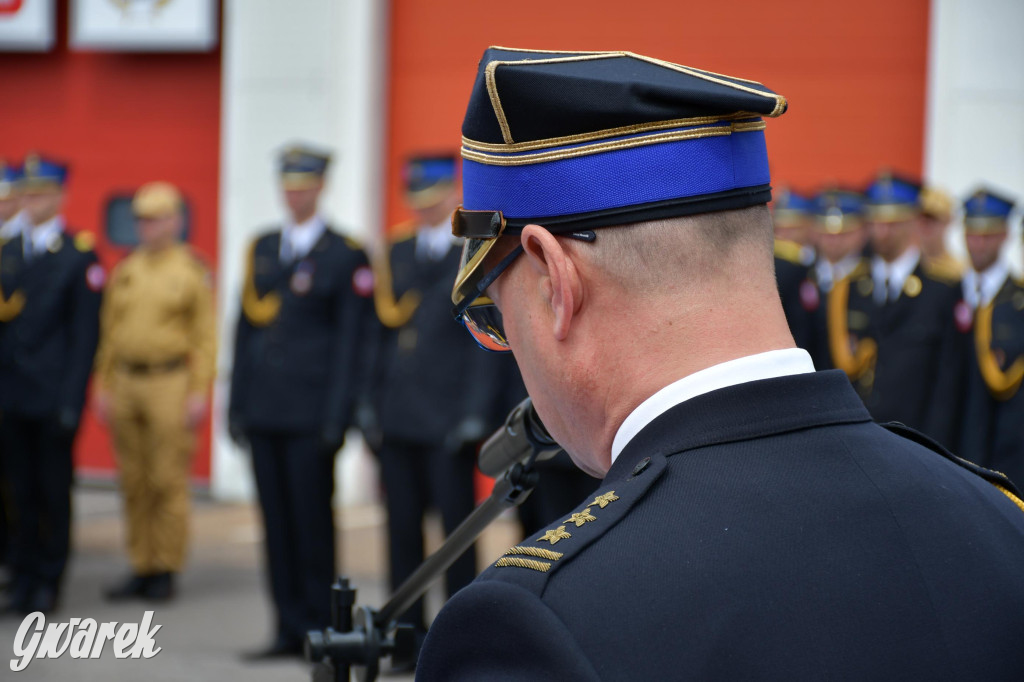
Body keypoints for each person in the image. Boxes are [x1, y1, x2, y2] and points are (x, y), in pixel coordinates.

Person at [416, 47, 1024, 680]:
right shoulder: (1000, 520)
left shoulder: (533, 624)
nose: (509, 344)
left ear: (554, 281)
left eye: (496, 316)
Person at [228, 145, 372, 659]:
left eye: (304, 185)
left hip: (311, 416)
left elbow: (352, 344)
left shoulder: (345, 254)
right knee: (276, 524)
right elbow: (244, 332)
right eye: (288, 186)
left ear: (320, 187)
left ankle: (319, 626)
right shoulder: (264, 247)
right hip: (265, 410)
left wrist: (339, 415)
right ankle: (285, 626)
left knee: (312, 525)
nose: (294, 195)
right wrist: (236, 405)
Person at [365, 154, 507, 653]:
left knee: (455, 536)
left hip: (448, 417)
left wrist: (475, 412)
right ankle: (404, 636)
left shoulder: (471, 248)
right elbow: (378, 336)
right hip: (400, 413)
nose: (422, 208)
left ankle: (456, 643)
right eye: (416, 200)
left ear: (451, 193)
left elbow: (485, 337)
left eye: (431, 198)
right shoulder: (397, 250)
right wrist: (370, 401)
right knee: (401, 530)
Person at [93, 182, 216, 602]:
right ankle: (140, 564)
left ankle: (165, 566)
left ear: (175, 221)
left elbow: (204, 338)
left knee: (167, 479)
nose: (147, 227)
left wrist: (199, 390)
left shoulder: (190, 270)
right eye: (142, 219)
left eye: (156, 218)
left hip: (169, 381)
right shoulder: (128, 269)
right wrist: (103, 383)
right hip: (127, 381)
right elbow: (110, 333)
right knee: (133, 480)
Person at [0, 154, 103, 615]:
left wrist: (72, 401)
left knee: (51, 493)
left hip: (51, 396)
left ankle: (48, 581)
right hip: (11, 394)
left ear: (60, 196)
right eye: (26, 193)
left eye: (41, 193)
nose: (32, 201)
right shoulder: (8, 251)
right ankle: (21, 578)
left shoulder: (77, 255)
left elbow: (85, 338)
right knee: (17, 491)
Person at [838, 172, 966, 448]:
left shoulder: (941, 291)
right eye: (876, 222)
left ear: (914, 221)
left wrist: (935, 448)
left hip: (916, 441)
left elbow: (948, 383)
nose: (882, 232)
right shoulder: (852, 287)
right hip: (857, 440)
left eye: (893, 223)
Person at [958, 188, 1024, 487]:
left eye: (988, 235)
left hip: (1006, 455)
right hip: (950, 447)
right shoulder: (947, 293)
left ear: (1005, 235)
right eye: (972, 234)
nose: (978, 244)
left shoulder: (1018, 302)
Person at [810, 187, 871, 370]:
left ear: (862, 231)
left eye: (844, 234)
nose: (834, 241)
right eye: (827, 234)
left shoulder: (872, 279)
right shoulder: (802, 278)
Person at [770, 188, 817, 354]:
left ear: (809, 226)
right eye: (779, 229)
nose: (784, 235)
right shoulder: (774, 268)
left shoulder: (817, 264)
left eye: (793, 228)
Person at [918, 184, 964, 279]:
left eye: (933, 219)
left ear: (948, 221)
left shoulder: (960, 271)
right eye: (921, 218)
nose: (925, 225)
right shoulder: (905, 265)